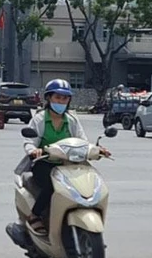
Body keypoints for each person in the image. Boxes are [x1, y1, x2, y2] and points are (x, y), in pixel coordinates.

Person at [21, 79, 109, 235]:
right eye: (58, 97)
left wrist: (98, 150)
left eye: (65, 98)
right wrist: (34, 151)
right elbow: (29, 142)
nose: (61, 101)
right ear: (49, 98)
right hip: (44, 163)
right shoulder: (40, 119)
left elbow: (83, 141)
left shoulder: (72, 120)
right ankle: (34, 215)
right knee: (52, 186)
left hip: (69, 165)